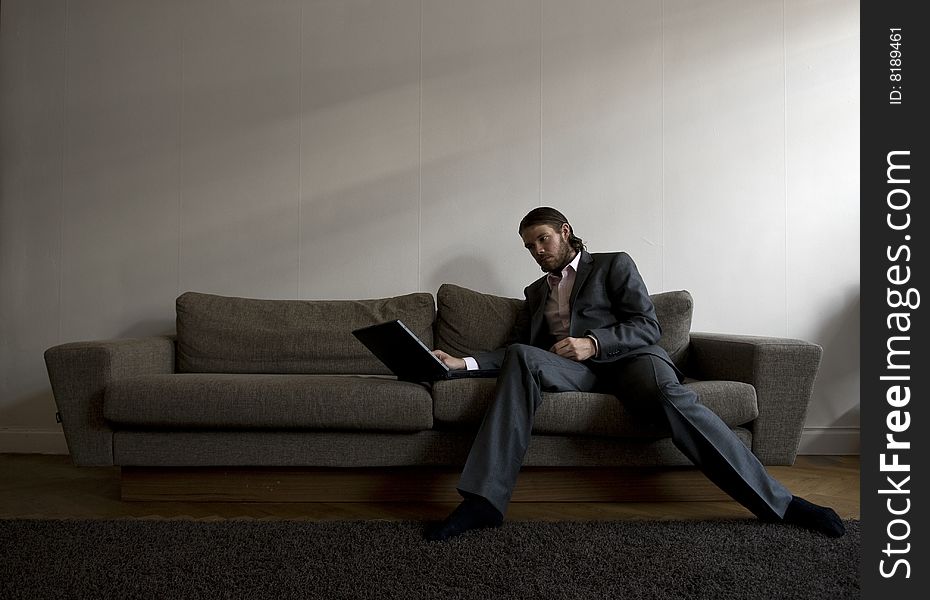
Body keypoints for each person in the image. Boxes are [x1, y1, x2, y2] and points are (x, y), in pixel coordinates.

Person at [424, 206, 845, 541]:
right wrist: (465, 363)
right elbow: (520, 352)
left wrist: (594, 343)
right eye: (529, 246)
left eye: (543, 239)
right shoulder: (535, 293)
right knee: (521, 353)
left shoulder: (612, 265)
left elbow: (647, 325)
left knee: (671, 400)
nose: (538, 251)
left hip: (631, 363)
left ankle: (782, 504)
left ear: (565, 231)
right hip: (575, 374)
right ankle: (483, 501)